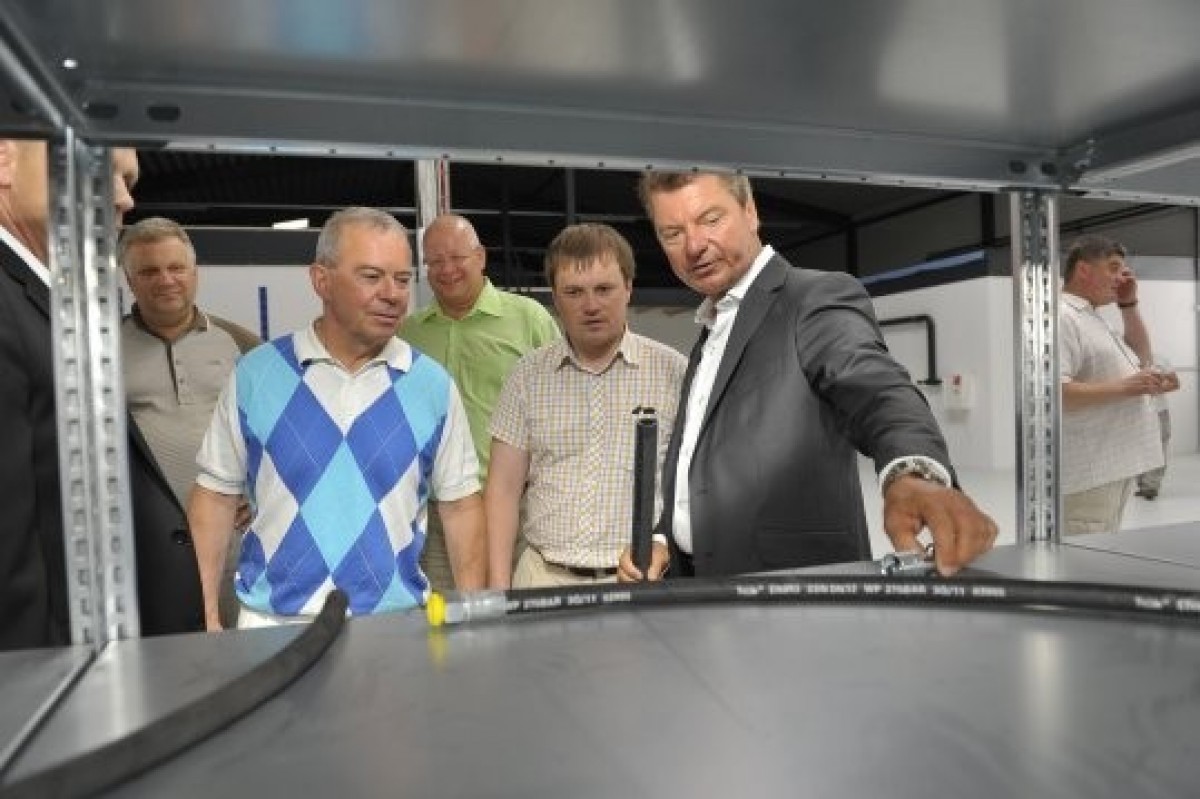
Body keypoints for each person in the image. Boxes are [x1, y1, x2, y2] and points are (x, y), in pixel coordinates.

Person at [618, 171, 997, 582]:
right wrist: (664, 539)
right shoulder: (712, 330)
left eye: (711, 219)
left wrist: (913, 473)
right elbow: (698, 462)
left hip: (793, 593)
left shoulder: (812, 298)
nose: (694, 246)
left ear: (750, 212)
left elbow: (877, 389)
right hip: (702, 587)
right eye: (673, 234)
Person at [188, 207, 485, 630]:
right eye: (372, 276)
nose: (393, 294)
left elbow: (460, 508)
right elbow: (215, 497)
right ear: (321, 280)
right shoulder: (257, 375)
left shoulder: (432, 385)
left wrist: (472, 617)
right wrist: (206, 616)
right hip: (271, 627)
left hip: (394, 629)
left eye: (403, 279)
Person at [0, 140, 202, 648]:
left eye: (128, 180)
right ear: (5, 160)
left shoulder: (41, 301)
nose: (124, 198)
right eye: (100, 171)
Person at [486, 223, 687, 588]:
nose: (591, 305)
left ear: (628, 288)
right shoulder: (527, 376)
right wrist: (499, 591)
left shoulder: (674, 372)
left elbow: (690, 487)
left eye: (604, 289)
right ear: (555, 297)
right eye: (574, 292)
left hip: (636, 580)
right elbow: (502, 490)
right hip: (542, 578)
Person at [399, 213, 559, 590]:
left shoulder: (528, 319)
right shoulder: (407, 334)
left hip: (518, 506)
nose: (447, 270)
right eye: (435, 261)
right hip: (437, 514)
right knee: (446, 615)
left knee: (520, 612)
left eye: (457, 257)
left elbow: (561, 400)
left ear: (481, 256)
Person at [119, 217, 260, 629]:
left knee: (241, 653)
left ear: (195, 273)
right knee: (162, 658)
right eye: (149, 271)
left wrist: (259, 491)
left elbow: (279, 433)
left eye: (176, 268)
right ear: (129, 281)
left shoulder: (241, 343)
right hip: (148, 545)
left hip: (232, 543)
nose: (166, 280)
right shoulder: (101, 349)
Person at [1060, 235, 1179, 533]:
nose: (1122, 277)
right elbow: (1055, 394)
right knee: (1085, 557)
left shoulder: (1093, 318)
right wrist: (1127, 387)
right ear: (1084, 270)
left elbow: (1143, 357)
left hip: (1113, 468)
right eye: (1113, 268)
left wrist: (1129, 304)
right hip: (1088, 475)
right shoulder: (1062, 316)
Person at [1136, 354, 1174, 500]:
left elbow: (1175, 383)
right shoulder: (1126, 357)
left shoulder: (1160, 359)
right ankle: (1142, 484)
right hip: (1137, 413)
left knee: (1159, 447)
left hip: (1159, 411)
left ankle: (1151, 486)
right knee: (1139, 448)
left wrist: (1157, 387)